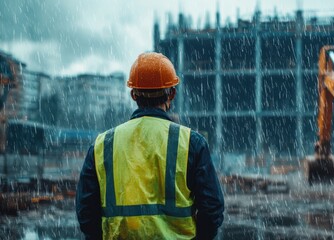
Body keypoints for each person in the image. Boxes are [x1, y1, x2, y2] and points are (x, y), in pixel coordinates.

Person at [76, 52, 224, 239]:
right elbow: (212, 210)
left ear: (133, 94)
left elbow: (86, 213)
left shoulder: (102, 145)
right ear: (172, 93)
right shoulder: (191, 143)